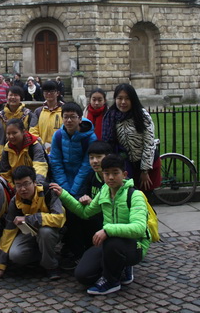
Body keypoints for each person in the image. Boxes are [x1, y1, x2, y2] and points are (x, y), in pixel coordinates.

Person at [50, 154, 151, 296]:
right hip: (109, 244)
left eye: (115, 173)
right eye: (107, 173)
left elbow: (139, 228)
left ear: (124, 174)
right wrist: (63, 194)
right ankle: (119, 268)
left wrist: (107, 230)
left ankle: (112, 281)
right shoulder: (104, 191)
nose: (111, 177)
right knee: (82, 275)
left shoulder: (135, 195)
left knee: (112, 242)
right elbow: (85, 213)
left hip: (135, 246)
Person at [0, 166, 65, 281]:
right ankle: (40, 256)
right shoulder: (15, 201)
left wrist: (29, 219)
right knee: (15, 254)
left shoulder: (48, 191)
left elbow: (59, 219)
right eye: (18, 185)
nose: (23, 189)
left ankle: (51, 266)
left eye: (26, 184)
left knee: (45, 232)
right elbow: (8, 232)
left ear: (34, 182)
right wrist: (0, 266)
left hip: (51, 231)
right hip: (29, 233)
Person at [49, 101, 97, 266]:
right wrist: (65, 188)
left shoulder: (89, 138)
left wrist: (73, 190)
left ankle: (78, 250)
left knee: (75, 214)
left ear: (80, 119)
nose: (69, 120)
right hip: (63, 183)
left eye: (73, 117)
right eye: (66, 117)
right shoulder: (58, 136)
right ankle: (68, 245)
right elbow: (56, 162)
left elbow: (86, 165)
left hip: (82, 183)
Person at [101, 83, 161, 193]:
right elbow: (108, 143)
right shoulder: (111, 116)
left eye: (127, 98)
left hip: (146, 164)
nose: (123, 102)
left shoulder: (142, 115)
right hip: (126, 166)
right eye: (120, 98)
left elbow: (149, 144)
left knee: (144, 198)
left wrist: (145, 171)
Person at [76, 140, 114, 253]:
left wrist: (94, 203)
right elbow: (80, 193)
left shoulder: (114, 179)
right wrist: (82, 198)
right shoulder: (91, 176)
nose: (95, 161)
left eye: (99, 157)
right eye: (91, 158)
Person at [0, 118, 48, 186]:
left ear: (23, 132)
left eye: (14, 133)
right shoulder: (6, 150)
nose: (11, 136)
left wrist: (35, 185)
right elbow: (5, 174)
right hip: (16, 186)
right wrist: (14, 188)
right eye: (8, 134)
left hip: (34, 184)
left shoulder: (34, 146)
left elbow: (40, 167)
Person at [29, 80, 63, 154]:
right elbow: (33, 131)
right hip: (42, 151)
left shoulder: (64, 110)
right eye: (46, 91)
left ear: (57, 93)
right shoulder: (38, 111)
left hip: (62, 150)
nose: (49, 94)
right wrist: (41, 145)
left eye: (52, 91)